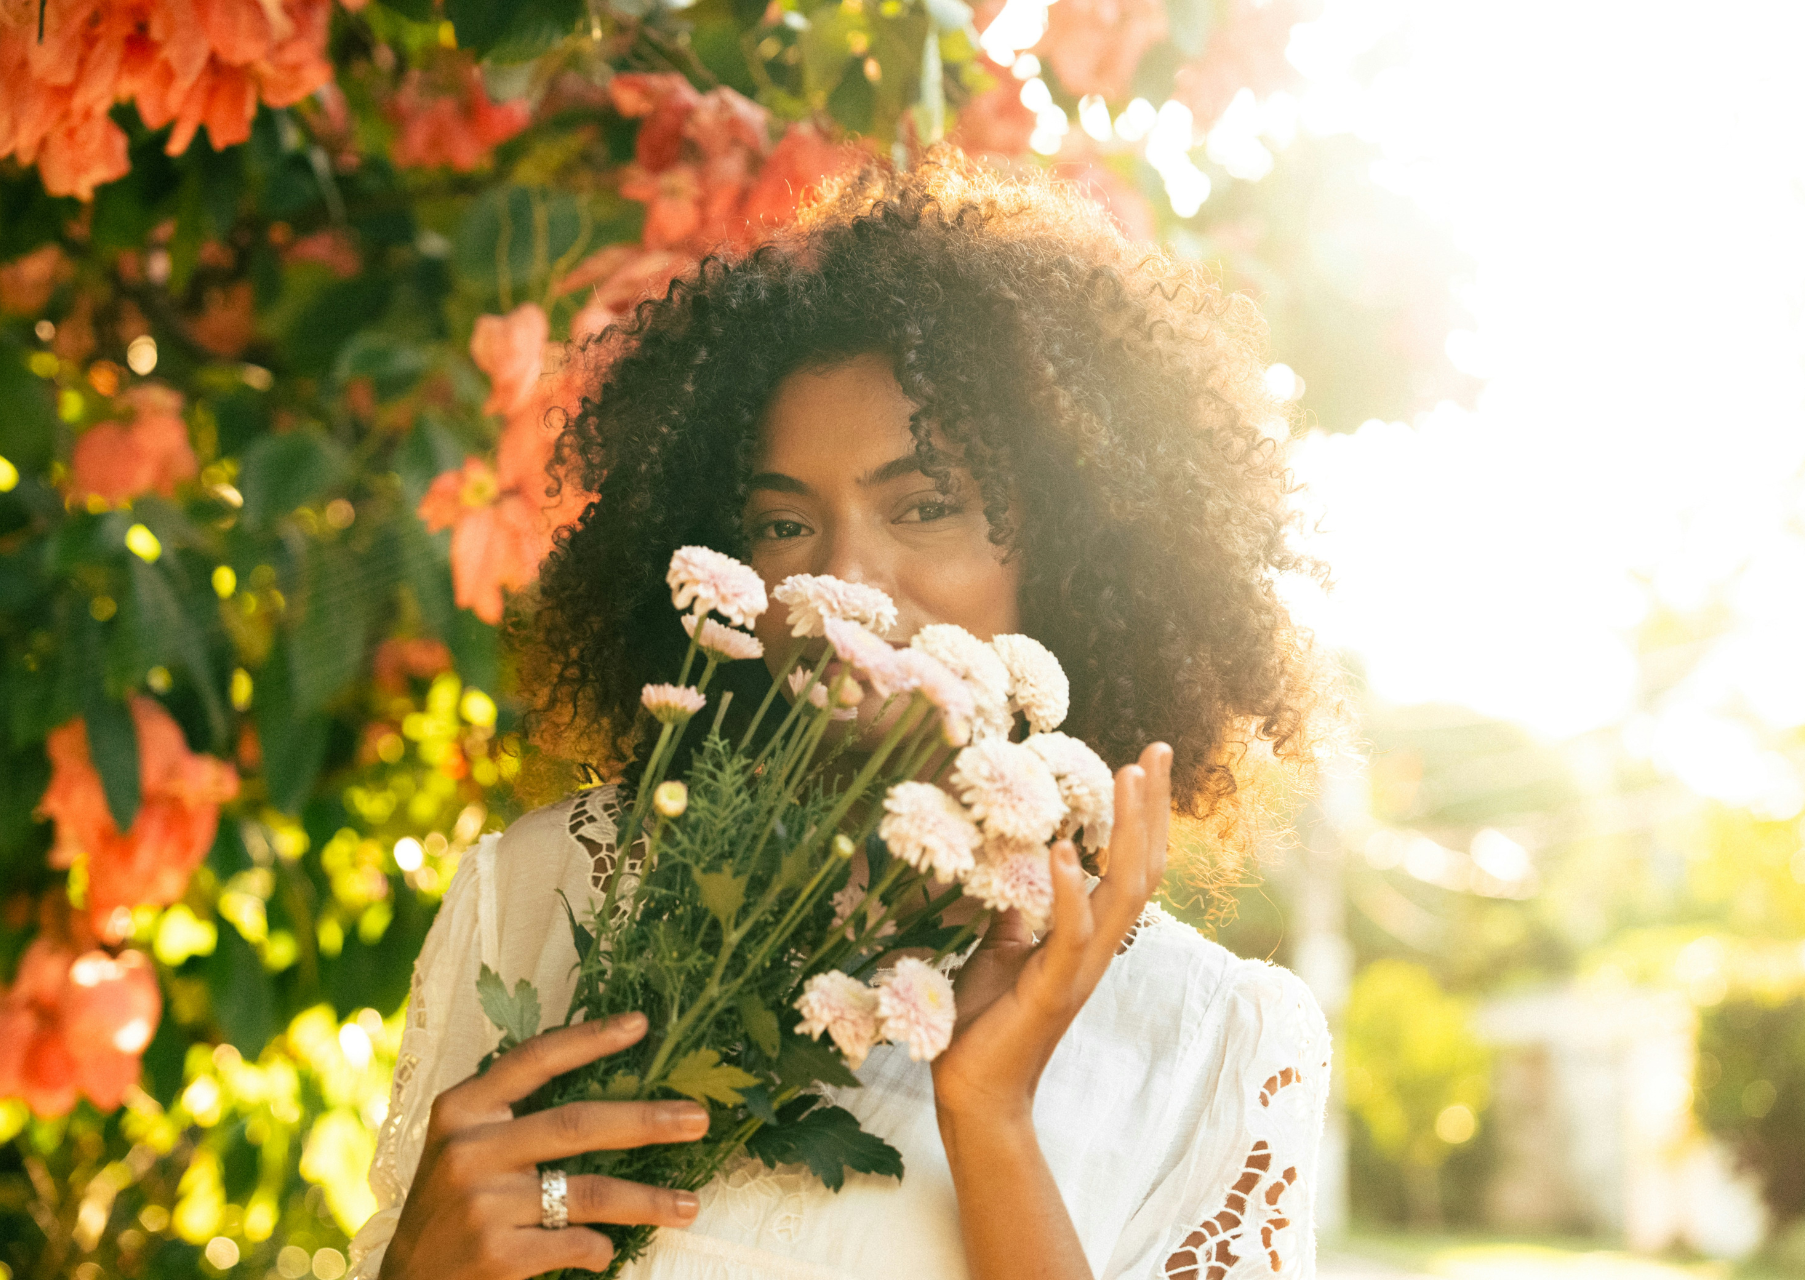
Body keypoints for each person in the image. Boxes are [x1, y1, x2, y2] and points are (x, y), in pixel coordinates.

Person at [351, 149, 1334, 1280]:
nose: (849, 584)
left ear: (1077, 552)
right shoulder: (536, 897)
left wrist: (991, 1114)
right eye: (782, 524)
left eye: (925, 504)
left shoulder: (1211, 1040)